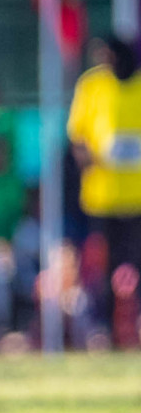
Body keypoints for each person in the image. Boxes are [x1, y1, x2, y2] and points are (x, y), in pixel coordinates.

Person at [66, 37, 141, 344]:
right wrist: (90, 159)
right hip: (103, 197)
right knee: (103, 266)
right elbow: (78, 137)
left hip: (137, 197)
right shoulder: (92, 85)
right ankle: (105, 328)